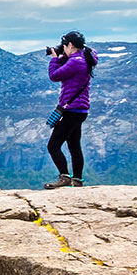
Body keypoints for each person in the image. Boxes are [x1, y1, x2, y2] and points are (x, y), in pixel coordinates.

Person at [44, 30, 96, 188]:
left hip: (71, 110)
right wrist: (64, 56)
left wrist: (54, 59)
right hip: (80, 110)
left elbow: (54, 76)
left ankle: (64, 177)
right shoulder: (86, 58)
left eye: (64, 46)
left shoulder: (76, 62)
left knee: (53, 146)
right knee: (74, 146)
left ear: (71, 45)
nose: (63, 48)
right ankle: (78, 180)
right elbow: (69, 71)